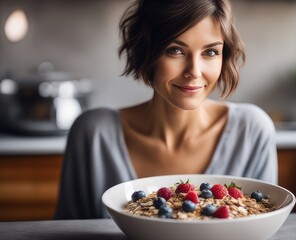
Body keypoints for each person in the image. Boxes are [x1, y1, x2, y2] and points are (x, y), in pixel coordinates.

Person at [55, 0, 278, 219]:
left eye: (210, 52)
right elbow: (67, 233)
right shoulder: (94, 134)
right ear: (146, 52)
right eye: (175, 50)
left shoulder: (251, 131)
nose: (194, 71)